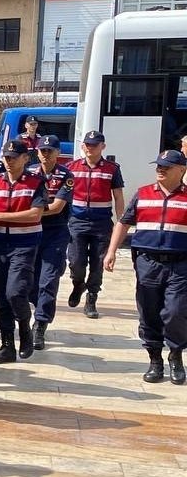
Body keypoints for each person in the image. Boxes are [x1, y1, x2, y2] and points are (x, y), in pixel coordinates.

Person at [105, 149, 187, 385]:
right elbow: (123, 224)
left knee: (175, 312)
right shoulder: (143, 194)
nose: (160, 169)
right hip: (148, 263)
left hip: (180, 264)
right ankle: (154, 359)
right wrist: (111, 251)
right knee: (148, 312)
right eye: (159, 165)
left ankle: (175, 354)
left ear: (181, 170)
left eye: (167, 166)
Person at [0, 139, 47, 364]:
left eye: (13, 157)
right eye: (6, 157)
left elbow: (35, 214)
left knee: (15, 292)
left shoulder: (36, 182)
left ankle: (25, 330)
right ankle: (7, 344)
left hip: (24, 245)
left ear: (25, 159)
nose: (8, 162)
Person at [65, 130, 124, 320]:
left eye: (94, 145)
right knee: (75, 261)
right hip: (77, 221)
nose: (90, 148)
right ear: (82, 146)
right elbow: (63, 195)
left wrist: (121, 221)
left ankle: (91, 298)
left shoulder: (112, 169)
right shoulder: (71, 167)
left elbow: (118, 196)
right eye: (87, 145)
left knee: (98, 263)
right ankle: (78, 284)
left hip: (101, 223)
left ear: (102, 147)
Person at [28, 135, 75, 349]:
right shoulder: (29, 173)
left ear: (58, 153)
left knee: (48, 279)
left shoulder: (66, 175)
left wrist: (31, 212)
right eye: (42, 151)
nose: (45, 155)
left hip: (55, 232)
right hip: (30, 231)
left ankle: (40, 324)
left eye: (50, 151)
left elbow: (57, 207)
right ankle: (37, 309)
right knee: (30, 280)